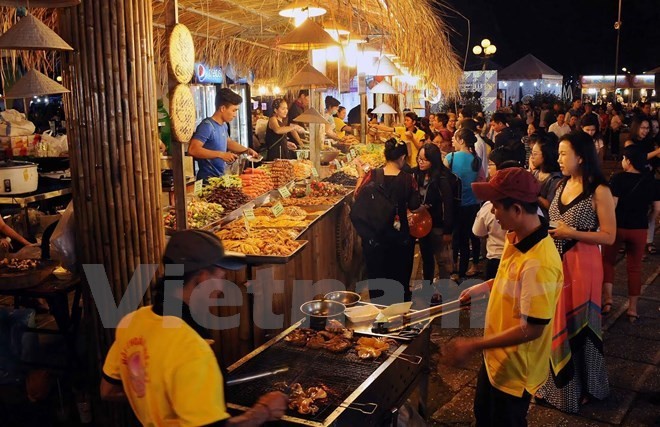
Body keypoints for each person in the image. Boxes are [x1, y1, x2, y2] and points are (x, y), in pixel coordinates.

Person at [100, 230, 287, 426]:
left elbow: (108, 391)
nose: (222, 289)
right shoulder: (192, 350)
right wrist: (263, 411)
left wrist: (157, 396)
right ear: (202, 279)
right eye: (221, 278)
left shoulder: (132, 322)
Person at [443, 167, 563, 427]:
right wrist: (483, 287)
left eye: (496, 207)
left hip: (515, 368)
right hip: (495, 358)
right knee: (483, 415)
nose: (492, 214)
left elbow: (532, 329)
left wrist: (474, 344)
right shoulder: (516, 235)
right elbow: (509, 278)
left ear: (517, 210)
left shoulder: (540, 263)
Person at [536, 131, 615, 413]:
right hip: (557, 264)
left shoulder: (599, 190)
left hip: (583, 266)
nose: (557, 158)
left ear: (580, 157)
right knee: (556, 324)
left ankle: (584, 387)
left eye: (563, 153)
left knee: (579, 327)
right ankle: (557, 386)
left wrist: (573, 232)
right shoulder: (561, 185)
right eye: (557, 153)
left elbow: (609, 236)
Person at [353, 139, 421, 301]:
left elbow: (357, 197)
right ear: (402, 157)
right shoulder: (408, 179)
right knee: (399, 281)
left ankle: (380, 319)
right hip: (400, 238)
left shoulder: (372, 175)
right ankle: (399, 319)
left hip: (375, 240)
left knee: (378, 283)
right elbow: (415, 205)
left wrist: (360, 176)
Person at [601, 146, 660, 320]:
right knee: (634, 269)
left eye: (624, 159)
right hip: (639, 228)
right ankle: (632, 309)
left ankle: (608, 299)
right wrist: (648, 220)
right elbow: (656, 209)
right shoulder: (652, 181)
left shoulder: (618, 179)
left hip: (618, 227)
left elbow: (613, 206)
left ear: (628, 161)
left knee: (608, 262)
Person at [188, 88, 258, 180]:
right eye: (234, 110)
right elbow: (193, 150)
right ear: (222, 108)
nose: (235, 115)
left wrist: (246, 150)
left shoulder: (224, 125)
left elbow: (228, 142)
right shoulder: (207, 126)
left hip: (220, 178)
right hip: (207, 180)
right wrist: (221, 154)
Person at [412, 143, 455, 283]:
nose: (420, 162)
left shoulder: (442, 178)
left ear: (434, 160)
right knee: (426, 258)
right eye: (419, 158)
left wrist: (447, 230)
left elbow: (448, 205)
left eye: (424, 160)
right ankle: (427, 287)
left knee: (441, 260)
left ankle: (444, 289)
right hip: (422, 224)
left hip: (438, 225)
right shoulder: (418, 174)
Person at [444, 128, 481, 279]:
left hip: (456, 205)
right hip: (472, 205)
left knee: (455, 238)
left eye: (455, 137)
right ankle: (463, 271)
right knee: (466, 238)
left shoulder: (451, 157)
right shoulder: (476, 160)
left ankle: (454, 270)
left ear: (461, 141)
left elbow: (443, 181)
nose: (453, 140)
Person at [529, 133, 562, 218]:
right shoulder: (535, 173)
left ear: (546, 155)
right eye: (531, 153)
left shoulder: (555, 179)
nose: (532, 157)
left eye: (535, 154)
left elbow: (550, 206)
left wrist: (533, 194)